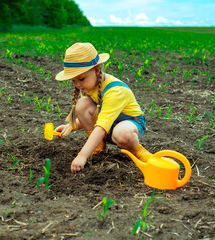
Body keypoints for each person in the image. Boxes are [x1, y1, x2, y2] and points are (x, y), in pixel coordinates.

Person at [54, 42, 153, 173]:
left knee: (122, 134)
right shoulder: (90, 85)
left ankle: (137, 150)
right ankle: (99, 146)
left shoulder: (116, 91)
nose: (77, 84)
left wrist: (82, 156)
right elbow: (97, 116)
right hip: (107, 124)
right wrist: (71, 126)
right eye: (73, 81)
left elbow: (101, 126)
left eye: (81, 79)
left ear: (96, 70)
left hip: (129, 123)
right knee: (82, 103)